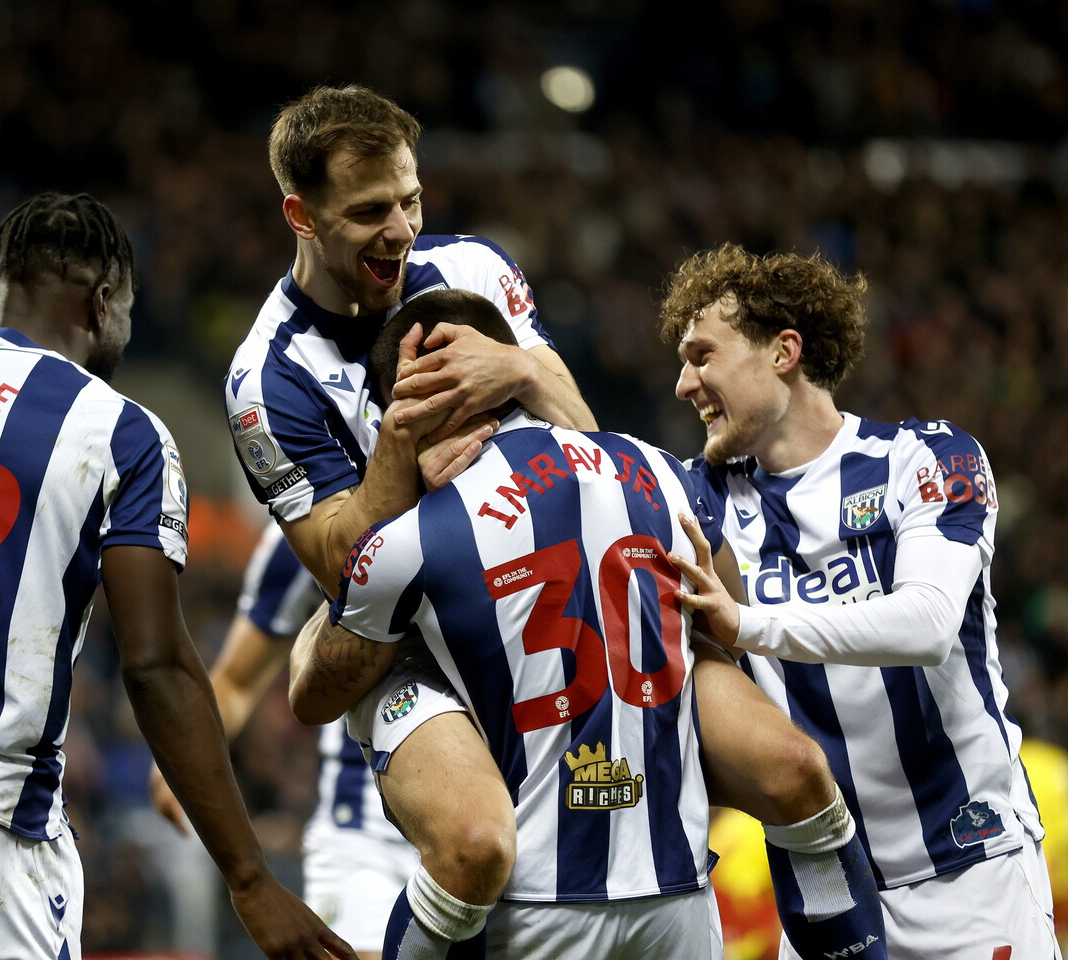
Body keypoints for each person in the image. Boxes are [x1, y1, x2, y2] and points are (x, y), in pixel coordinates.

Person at [227, 84, 884, 960]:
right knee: (473, 842)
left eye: (412, 199)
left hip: (550, 573)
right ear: (300, 214)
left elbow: (583, 440)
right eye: (370, 211)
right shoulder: (267, 379)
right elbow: (342, 568)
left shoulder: (472, 270)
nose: (402, 230)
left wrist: (516, 368)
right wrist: (400, 448)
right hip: (408, 624)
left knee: (792, 767)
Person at [0, 192, 353, 960]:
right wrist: (250, 878)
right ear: (105, 299)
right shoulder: (120, 430)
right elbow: (153, 666)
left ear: (1, 285)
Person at [660, 242, 1061, 959]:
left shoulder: (928, 458)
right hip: (825, 891)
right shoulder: (704, 496)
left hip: (969, 874)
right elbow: (592, 479)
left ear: (783, 351)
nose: (685, 384)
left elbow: (929, 623)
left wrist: (748, 622)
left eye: (702, 356)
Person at [150, 522, 419, 960]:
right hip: (367, 835)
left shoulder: (509, 493)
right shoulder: (311, 521)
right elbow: (237, 681)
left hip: (508, 816)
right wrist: (179, 757)